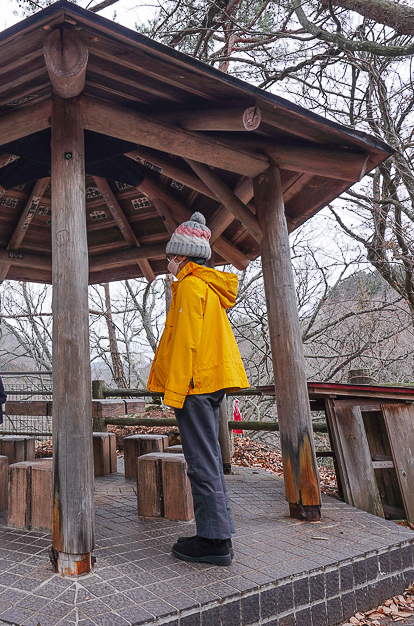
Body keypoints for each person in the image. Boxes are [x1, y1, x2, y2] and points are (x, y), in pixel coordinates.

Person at [147, 212, 249, 566]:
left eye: (170, 256)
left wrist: (173, 393)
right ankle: (217, 533)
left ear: (182, 256)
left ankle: (214, 541)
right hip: (207, 383)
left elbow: (186, 345)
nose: (168, 263)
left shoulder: (190, 287)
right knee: (207, 459)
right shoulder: (205, 286)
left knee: (201, 461)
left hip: (194, 386)